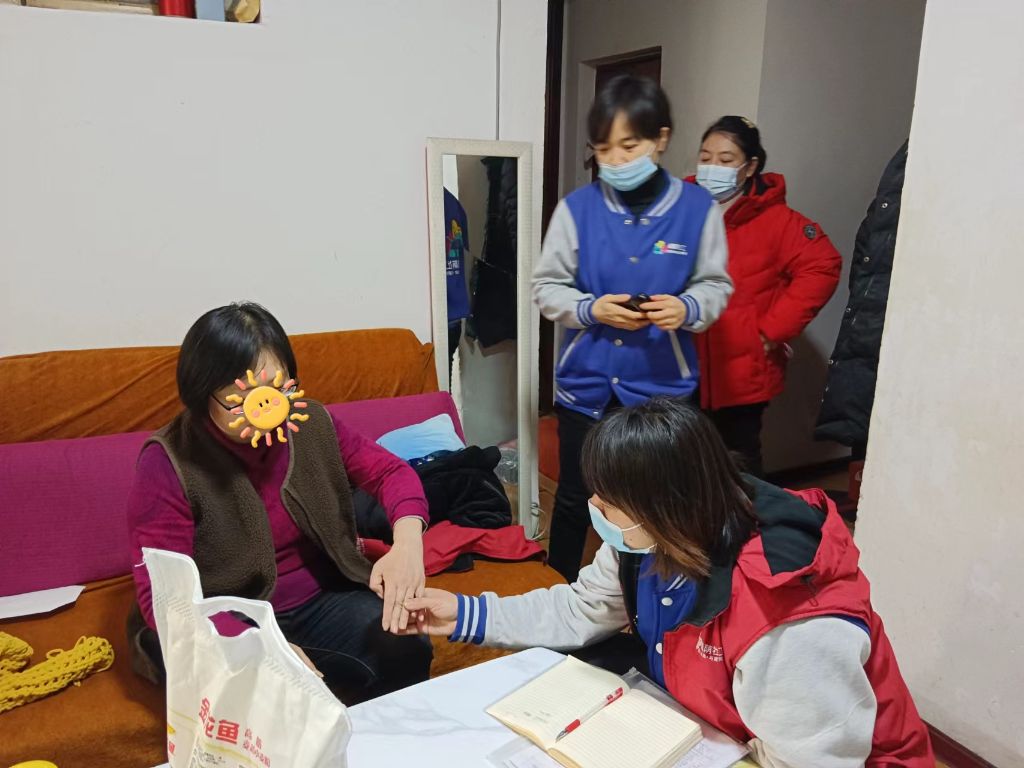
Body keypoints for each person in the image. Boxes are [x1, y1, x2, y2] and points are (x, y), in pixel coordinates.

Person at [398, 398, 935, 767]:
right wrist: (463, 613)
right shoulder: (650, 538)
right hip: (708, 730)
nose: (595, 509)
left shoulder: (788, 621)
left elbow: (809, 760)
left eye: (608, 501)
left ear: (665, 506)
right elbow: (581, 610)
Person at [126, 302, 432, 703]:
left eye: (276, 388)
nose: (264, 409)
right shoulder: (168, 461)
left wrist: (407, 544)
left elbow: (391, 472)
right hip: (227, 614)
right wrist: (258, 645)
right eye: (241, 397)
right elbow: (167, 598)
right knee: (265, 691)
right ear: (203, 396)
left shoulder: (310, 423)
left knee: (406, 643)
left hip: (320, 602)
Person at [533, 75, 733, 582]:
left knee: (659, 502)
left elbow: (715, 285)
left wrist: (687, 307)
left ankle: (655, 599)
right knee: (576, 497)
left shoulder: (697, 210)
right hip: (587, 385)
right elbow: (546, 288)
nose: (616, 160)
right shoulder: (577, 209)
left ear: (660, 139)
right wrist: (591, 308)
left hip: (661, 386)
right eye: (604, 149)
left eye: (629, 146)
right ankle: (559, 588)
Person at [693, 116, 841, 477]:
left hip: (741, 368)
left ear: (750, 167)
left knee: (738, 463)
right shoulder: (680, 208)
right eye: (705, 157)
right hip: (681, 362)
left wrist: (770, 330)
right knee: (681, 459)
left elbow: (822, 265)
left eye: (726, 160)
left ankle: (745, 516)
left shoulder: (777, 220)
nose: (713, 168)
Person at [816, 141, 909, 492]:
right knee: (865, 425)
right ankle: (861, 505)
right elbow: (866, 253)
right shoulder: (904, 160)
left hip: (892, 321)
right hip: (871, 317)